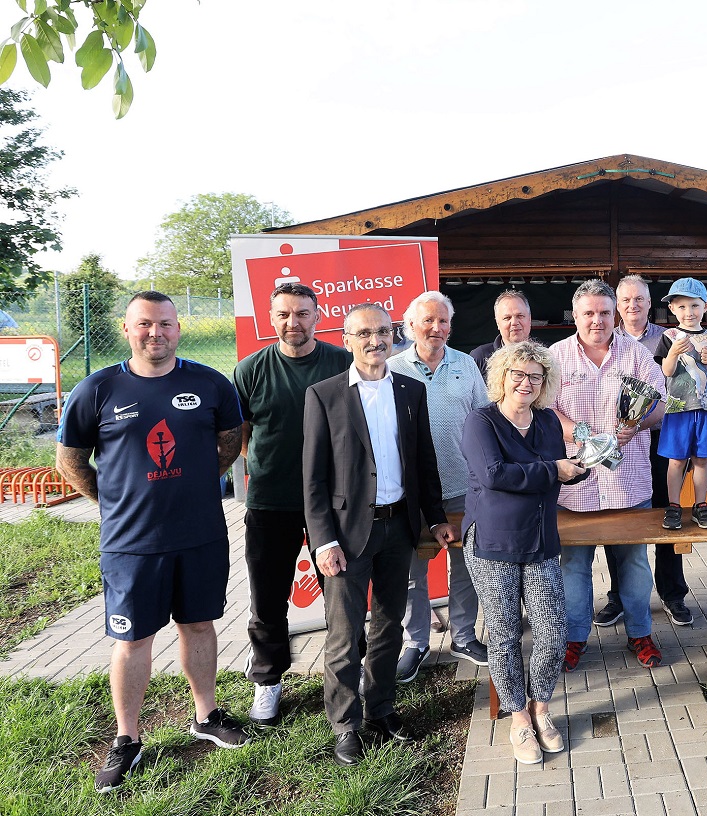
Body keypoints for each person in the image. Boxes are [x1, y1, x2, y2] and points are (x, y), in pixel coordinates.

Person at [57, 292, 249, 793]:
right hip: (131, 543)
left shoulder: (208, 383)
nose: (155, 333)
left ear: (178, 328)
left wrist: (199, 484)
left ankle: (205, 716)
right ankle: (127, 739)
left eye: (165, 324)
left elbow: (231, 440)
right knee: (133, 639)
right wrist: (112, 499)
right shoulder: (98, 389)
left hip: (200, 534)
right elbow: (70, 459)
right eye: (145, 325)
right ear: (127, 329)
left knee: (199, 625)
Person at [303, 302, 455, 766]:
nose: (375, 341)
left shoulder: (410, 390)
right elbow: (312, 479)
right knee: (345, 637)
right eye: (364, 333)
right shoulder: (324, 395)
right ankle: (345, 725)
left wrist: (436, 518)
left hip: (399, 530)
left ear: (395, 337)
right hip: (347, 538)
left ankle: (381, 711)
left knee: (389, 627)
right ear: (346, 340)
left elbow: (424, 461)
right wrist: (323, 542)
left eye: (383, 332)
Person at [233, 282, 353, 726]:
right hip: (271, 501)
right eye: (283, 314)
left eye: (302, 313)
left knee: (341, 592)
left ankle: (345, 673)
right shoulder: (250, 369)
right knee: (267, 596)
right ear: (271, 318)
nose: (293, 322)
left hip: (334, 501)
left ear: (318, 317)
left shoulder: (342, 363)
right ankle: (267, 680)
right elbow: (242, 435)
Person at [460, 340, 585, 764]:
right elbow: (494, 475)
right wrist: (554, 470)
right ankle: (517, 718)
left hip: (541, 538)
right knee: (504, 632)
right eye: (519, 374)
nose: (527, 382)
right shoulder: (481, 421)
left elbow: (557, 472)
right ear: (502, 377)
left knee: (552, 629)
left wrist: (577, 469)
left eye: (536, 376)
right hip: (493, 541)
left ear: (545, 382)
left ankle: (541, 706)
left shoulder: (549, 421)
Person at [550, 279, 667, 671]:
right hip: (576, 484)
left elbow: (660, 406)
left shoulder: (634, 354)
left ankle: (640, 632)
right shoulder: (555, 357)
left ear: (614, 314)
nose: (597, 320)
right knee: (573, 566)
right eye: (589, 313)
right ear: (576, 315)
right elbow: (542, 407)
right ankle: (574, 638)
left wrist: (639, 423)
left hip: (628, 483)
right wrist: (580, 434)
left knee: (634, 562)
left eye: (604, 312)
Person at [389, 291, 490, 682]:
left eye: (443, 321)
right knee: (413, 571)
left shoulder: (466, 364)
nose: (437, 328)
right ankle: (415, 643)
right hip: (411, 492)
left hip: (465, 486)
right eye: (428, 321)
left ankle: (464, 636)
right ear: (410, 325)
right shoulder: (392, 368)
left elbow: (484, 422)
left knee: (467, 567)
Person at [596, 274, 693, 628]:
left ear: (650, 303)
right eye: (625, 301)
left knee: (668, 514)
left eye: (639, 299)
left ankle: (673, 593)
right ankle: (619, 596)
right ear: (617, 306)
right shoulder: (605, 340)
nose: (632, 306)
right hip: (620, 444)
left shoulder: (669, 338)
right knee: (618, 518)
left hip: (663, 439)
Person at [655, 277, 707, 530]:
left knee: (701, 460)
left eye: (694, 306)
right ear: (672, 308)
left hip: (705, 408)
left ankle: (700, 505)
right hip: (677, 409)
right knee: (676, 461)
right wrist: (673, 352)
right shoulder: (669, 336)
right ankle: (674, 505)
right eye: (682, 306)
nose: (689, 312)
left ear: (705, 306)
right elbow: (666, 371)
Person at [469, 289, 532, 374]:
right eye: (507, 318)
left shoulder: (546, 355)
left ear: (529, 319)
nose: (514, 322)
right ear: (498, 323)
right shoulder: (480, 357)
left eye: (520, 316)